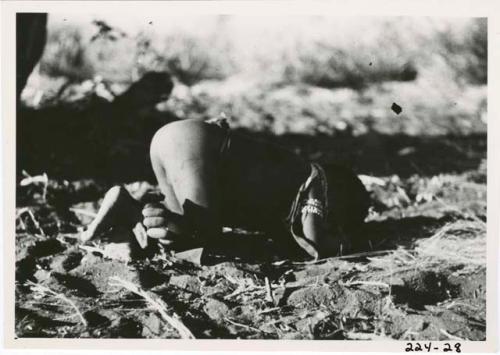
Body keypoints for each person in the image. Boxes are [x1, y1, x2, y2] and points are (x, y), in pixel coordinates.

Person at [82, 118, 370, 261]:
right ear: (337, 194)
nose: (331, 223)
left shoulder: (282, 200)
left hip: (176, 141)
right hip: (195, 145)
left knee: (178, 229)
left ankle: (130, 213)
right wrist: (343, 245)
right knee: (204, 235)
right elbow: (315, 238)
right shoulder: (316, 179)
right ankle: (134, 218)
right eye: (337, 219)